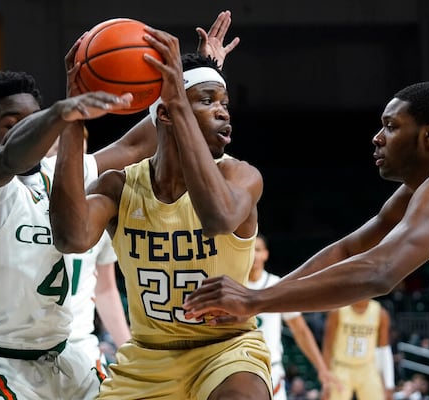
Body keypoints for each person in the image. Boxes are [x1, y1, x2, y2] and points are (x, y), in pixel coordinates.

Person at [0, 11, 239, 399]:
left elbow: (140, 141)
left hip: (75, 358)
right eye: (10, 121)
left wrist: (200, 74)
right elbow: (10, 158)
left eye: (33, 117)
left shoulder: (70, 174)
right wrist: (59, 112)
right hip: (0, 364)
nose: (26, 127)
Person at [182, 81, 429, 400]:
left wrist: (256, 300)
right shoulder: (419, 194)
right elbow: (348, 250)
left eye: (391, 126)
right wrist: (256, 304)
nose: (377, 137)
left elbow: (379, 272)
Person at [49, 24, 272, 399]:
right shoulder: (119, 187)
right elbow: (70, 238)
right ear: (168, 114)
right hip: (149, 358)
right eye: (208, 101)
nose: (223, 112)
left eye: (225, 103)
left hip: (228, 351)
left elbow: (217, 217)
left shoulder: (239, 175)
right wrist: (73, 115)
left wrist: (192, 90)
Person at [47, 127, 131, 372]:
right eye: (57, 152)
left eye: (77, 154)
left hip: (79, 344)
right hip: (25, 345)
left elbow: (104, 288)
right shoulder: (17, 202)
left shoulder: (98, 210)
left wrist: (127, 348)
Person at [248, 233, 335, 399]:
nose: (253, 255)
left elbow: (301, 330)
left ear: (265, 254)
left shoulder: (277, 286)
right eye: (250, 249)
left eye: (257, 250)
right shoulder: (234, 285)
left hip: (271, 370)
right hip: (240, 368)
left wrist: (322, 368)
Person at [322, 298, 395, 400]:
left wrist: (389, 384)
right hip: (341, 367)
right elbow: (327, 346)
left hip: (367, 367)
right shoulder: (337, 311)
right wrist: (326, 381)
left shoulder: (380, 313)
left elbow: (384, 349)